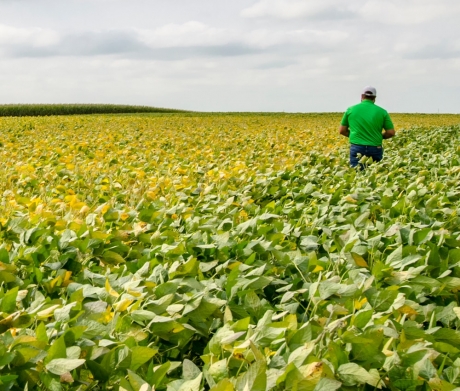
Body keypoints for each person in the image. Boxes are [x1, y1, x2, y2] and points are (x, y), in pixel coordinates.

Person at [339, 86, 395, 168]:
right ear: (374, 98)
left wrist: (355, 136)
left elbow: (342, 131)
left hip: (357, 147)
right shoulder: (382, 112)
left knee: (357, 173)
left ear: (362, 96)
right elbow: (391, 132)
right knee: (375, 174)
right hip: (375, 147)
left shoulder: (351, 110)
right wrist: (380, 136)